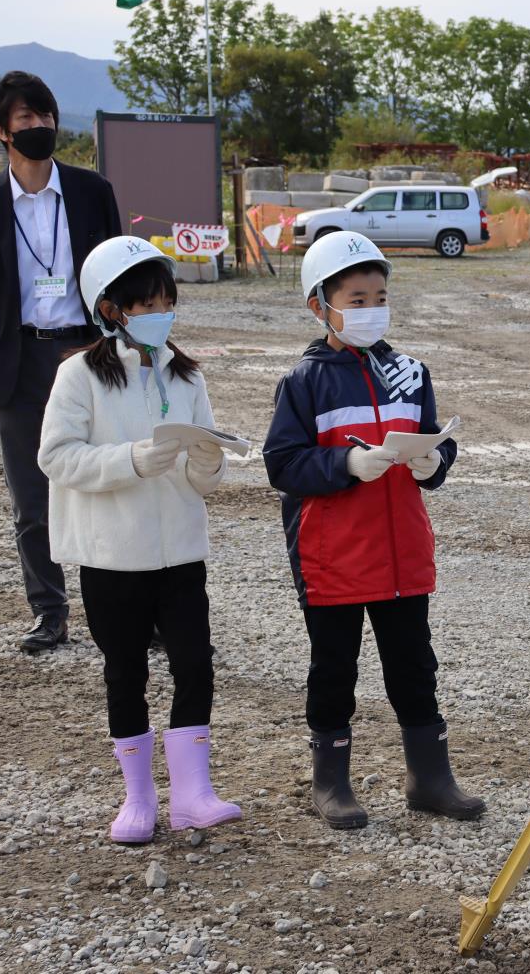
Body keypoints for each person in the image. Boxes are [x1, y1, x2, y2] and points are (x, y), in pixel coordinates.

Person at [263, 231, 484, 830]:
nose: (371, 309)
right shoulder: (304, 381)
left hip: (402, 553)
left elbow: (434, 437)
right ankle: (330, 781)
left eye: (379, 297)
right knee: (334, 669)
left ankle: (430, 778)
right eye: (356, 300)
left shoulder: (410, 372)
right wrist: (346, 464)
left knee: (414, 665)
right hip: (333, 557)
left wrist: (436, 461)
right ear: (320, 306)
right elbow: (282, 463)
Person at [38, 237, 240, 844]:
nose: (161, 314)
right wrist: (130, 460)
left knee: (194, 664)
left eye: (167, 302)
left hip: (180, 551)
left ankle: (194, 795)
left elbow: (203, 471)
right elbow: (56, 456)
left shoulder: (186, 374)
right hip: (113, 557)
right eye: (147, 304)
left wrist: (208, 463)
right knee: (124, 670)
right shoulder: (78, 376)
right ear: (110, 309)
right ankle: (138, 797)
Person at [0, 71, 123, 653]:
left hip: (88, 351)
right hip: (18, 359)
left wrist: (94, 337)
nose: (40, 125)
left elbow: (115, 274)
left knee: (109, 483)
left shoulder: (92, 191)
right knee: (32, 499)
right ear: (1, 131)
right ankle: (49, 612)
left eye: (46, 115)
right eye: (25, 118)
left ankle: (129, 612)